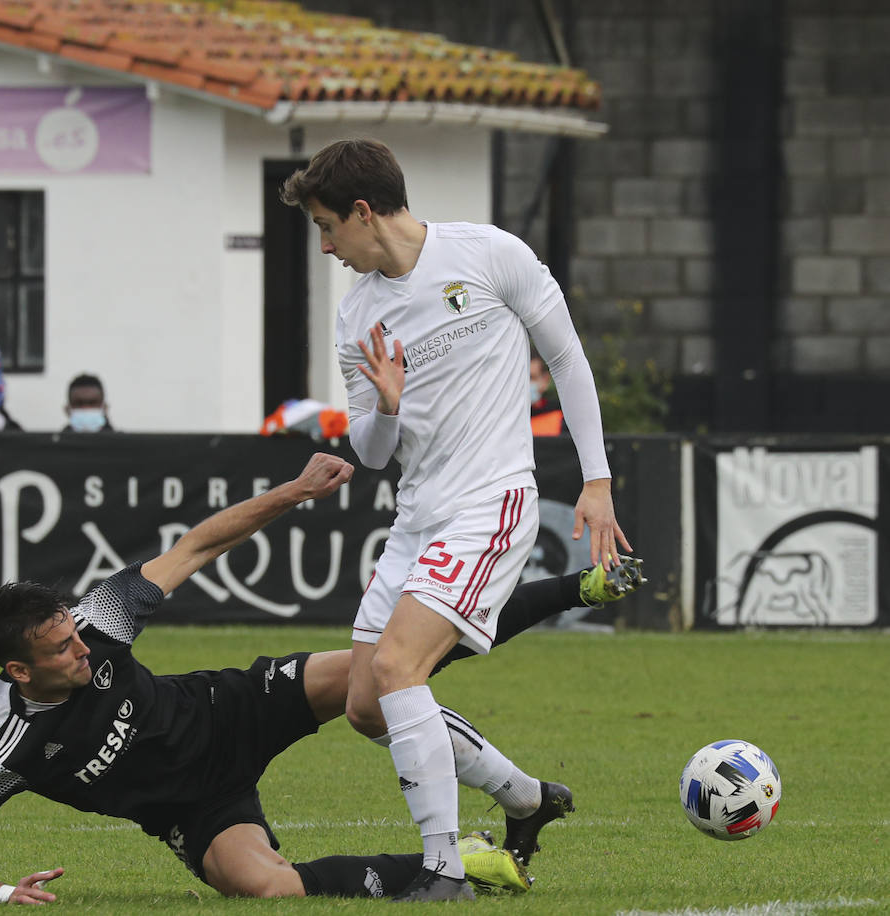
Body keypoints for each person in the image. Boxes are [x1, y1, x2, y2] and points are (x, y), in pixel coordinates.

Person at [0, 452, 647, 904]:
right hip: (192, 808)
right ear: (20, 670)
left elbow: (199, 545)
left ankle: (574, 592)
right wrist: (1, 893)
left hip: (230, 710)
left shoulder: (100, 618)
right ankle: (472, 863)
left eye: (75, 633)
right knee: (266, 887)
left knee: (385, 672)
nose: (81, 647)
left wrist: (296, 491)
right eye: (60, 648)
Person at [281, 138, 631, 901]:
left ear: (364, 212)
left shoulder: (490, 254)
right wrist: (388, 405)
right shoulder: (358, 317)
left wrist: (595, 480)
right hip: (417, 520)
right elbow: (371, 451)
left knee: (401, 669)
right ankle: (527, 797)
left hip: (490, 503)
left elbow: (568, 360)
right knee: (368, 706)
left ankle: (444, 872)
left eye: (327, 225)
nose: (326, 245)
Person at [530, 353, 565, 436]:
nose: (526, 383)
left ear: (545, 380)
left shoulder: (559, 416)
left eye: (531, 377)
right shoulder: (506, 415)